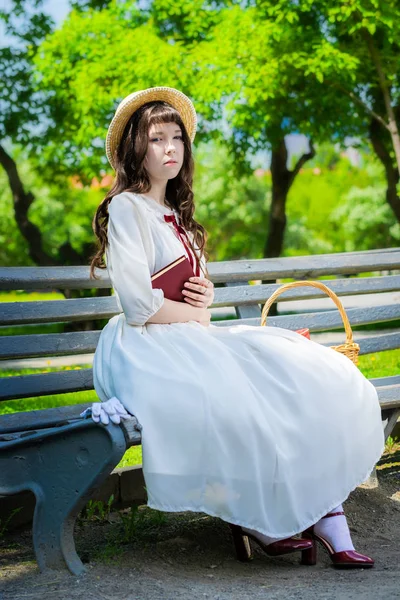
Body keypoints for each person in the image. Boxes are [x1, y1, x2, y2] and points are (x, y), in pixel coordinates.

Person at [88, 86, 384, 568]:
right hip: (142, 349)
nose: (170, 149)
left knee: (298, 374)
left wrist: (203, 300)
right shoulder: (126, 207)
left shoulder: (179, 218)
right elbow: (139, 306)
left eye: (177, 139)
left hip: (186, 338)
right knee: (241, 397)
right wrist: (197, 312)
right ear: (134, 150)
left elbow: (195, 304)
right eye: (157, 138)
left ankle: (327, 514)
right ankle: (265, 519)